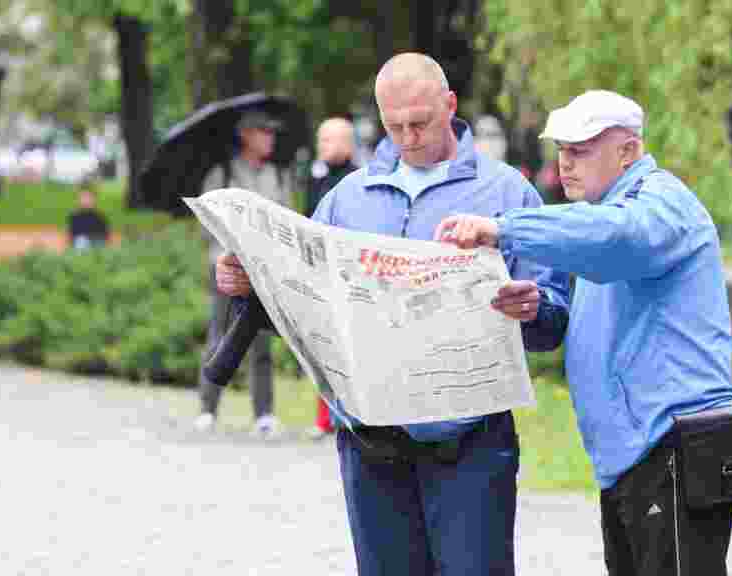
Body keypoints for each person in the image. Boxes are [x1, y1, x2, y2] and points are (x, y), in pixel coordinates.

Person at [214, 52, 569, 575]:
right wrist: (250, 287)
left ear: (450, 105)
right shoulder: (345, 199)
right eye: (393, 124)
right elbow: (306, 307)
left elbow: (554, 319)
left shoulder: (508, 193)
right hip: (369, 443)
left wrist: (534, 309)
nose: (408, 137)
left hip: (467, 443)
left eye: (420, 122)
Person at [435, 90, 732, 576]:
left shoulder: (660, 203)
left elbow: (616, 239)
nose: (564, 165)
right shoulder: (608, 210)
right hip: (634, 457)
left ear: (628, 151)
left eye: (580, 151)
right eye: (561, 150)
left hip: (673, 448)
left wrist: (503, 229)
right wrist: (535, 310)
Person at [196, 109, 293, 438]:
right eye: (264, 132)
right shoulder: (221, 173)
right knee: (220, 334)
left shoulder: (278, 176)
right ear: (246, 135)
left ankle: (264, 414)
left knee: (262, 340)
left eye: (272, 132)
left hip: (264, 271)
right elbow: (207, 221)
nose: (271, 138)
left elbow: (286, 221)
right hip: (228, 266)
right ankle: (207, 410)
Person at [306, 117, 358, 439]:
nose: (328, 147)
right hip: (318, 269)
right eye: (323, 140)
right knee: (321, 344)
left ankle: (349, 413)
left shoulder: (358, 179)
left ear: (349, 144)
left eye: (335, 140)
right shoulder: (314, 175)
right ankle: (324, 417)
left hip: (348, 272)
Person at [67, 184, 110, 250]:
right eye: (83, 197)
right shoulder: (74, 216)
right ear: (78, 200)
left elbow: (106, 234)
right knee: (81, 241)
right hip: (81, 241)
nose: (86, 200)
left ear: (94, 200)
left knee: (99, 243)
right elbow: (71, 234)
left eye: (89, 197)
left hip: (97, 240)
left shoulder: (100, 215)